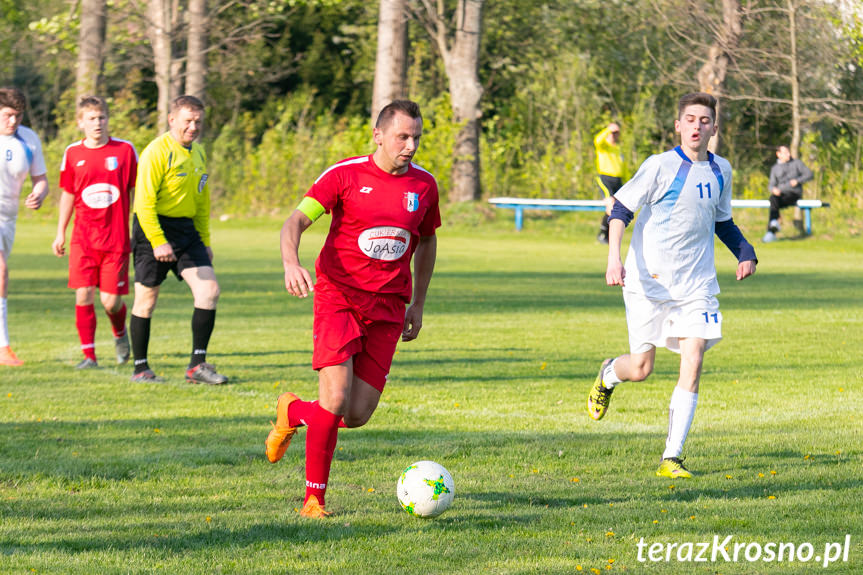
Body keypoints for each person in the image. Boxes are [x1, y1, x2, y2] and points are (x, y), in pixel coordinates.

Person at [265, 100, 440, 518]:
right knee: (336, 396)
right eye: (403, 136)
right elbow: (296, 222)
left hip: (389, 306)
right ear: (377, 134)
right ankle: (314, 499)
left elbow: (428, 241)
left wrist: (418, 301)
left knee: (356, 414)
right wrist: (292, 262)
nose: (411, 145)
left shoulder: (425, 186)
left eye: (416, 137)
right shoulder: (344, 175)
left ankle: (293, 410)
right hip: (338, 297)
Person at [586, 93, 757, 479]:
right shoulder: (659, 166)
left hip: (696, 285)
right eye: (690, 119)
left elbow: (722, 221)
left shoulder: (722, 171)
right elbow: (620, 210)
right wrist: (613, 258)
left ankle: (672, 457)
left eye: (705, 120)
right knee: (642, 369)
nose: (697, 126)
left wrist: (745, 251)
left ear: (714, 128)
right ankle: (609, 373)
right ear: (678, 126)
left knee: (693, 359)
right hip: (647, 281)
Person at [129, 95, 227, 384]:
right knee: (146, 299)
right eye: (188, 121)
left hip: (187, 232)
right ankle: (140, 368)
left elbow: (201, 202)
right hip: (153, 229)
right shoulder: (156, 152)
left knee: (209, 290)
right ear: (172, 120)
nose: (193, 127)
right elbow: (143, 204)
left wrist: (205, 240)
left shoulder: (198, 153)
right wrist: (158, 241)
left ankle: (197, 366)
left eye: (198, 121)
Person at [53, 96, 137, 369]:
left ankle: (120, 333)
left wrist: (139, 228)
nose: (97, 123)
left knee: (111, 302)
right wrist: (60, 233)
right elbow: (68, 194)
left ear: (108, 120)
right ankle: (89, 356)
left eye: (101, 118)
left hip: (116, 239)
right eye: (91, 118)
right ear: (80, 123)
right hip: (83, 240)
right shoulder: (73, 153)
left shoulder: (124, 151)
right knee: (83, 295)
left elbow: (138, 193)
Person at [0, 87, 50, 366]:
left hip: (8, 220)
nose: (13, 121)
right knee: (1, 273)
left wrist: (39, 194)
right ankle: (3, 347)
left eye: (18, 116)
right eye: (8, 115)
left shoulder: (29, 139)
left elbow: (40, 178)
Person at [762, 145, 813, 242]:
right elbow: (771, 185)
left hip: (793, 193)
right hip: (780, 195)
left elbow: (809, 174)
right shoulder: (775, 168)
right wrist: (774, 189)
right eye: (785, 153)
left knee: (774, 203)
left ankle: (771, 230)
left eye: (788, 152)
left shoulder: (797, 163)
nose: (788, 154)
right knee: (773, 198)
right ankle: (773, 225)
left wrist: (797, 181)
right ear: (778, 154)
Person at [594, 122, 627, 244]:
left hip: (618, 180)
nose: (614, 135)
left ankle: (609, 235)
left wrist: (627, 181)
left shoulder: (618, 149)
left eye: (616, 133)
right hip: (606, 179)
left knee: (617, 208)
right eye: (613, 133)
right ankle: (603, 234)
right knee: (611, 205)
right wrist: (608, 129)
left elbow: (623, 167)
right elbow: (597, 140)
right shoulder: (603, 146)